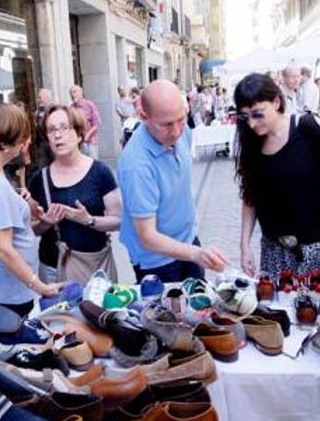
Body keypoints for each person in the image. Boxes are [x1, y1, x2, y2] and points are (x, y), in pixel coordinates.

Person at [234, 73, 320, 278]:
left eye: (257, 113)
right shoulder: (252, 142)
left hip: (318, 250)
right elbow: (250, 196)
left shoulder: (307, 126)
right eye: (245, 116)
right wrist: (244, 246)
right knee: (277, 309)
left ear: (276, 102)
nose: (251, 123)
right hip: (274, 252)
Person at [117, 79, 229, 283]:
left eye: (181, 119)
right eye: (167, 124)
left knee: (199, 306)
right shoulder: (136, 164)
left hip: (188, 241)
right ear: (144, 116)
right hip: (156, 260)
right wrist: (195, 254)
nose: (177, 131)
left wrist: (194, 250)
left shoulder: (181, 132)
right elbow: (147, 236)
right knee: (168, 313)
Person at [0, 102, 61, 318]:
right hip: (9, 289)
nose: (26, 143)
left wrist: (18, 204)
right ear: (5, 145)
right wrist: (39, 286)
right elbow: (4, 249)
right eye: (22, 138)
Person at [27, 104, 122, 284]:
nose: (57, 135)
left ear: (79, 134)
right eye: (51, 129)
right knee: (59, 313)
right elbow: (32, 229)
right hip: (53, 269)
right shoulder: (39, 179)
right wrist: (45, 223)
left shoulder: (100, 172)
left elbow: (118, 221)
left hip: (95, 268)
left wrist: (88, 219)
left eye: (64, 127)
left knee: (97, 312)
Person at [69, 85, 101, 158]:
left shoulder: (89, 105)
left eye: (74, 92)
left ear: (81, 93)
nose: (72, 95)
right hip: (77, 142)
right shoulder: (71, 108)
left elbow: (96, 124)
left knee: (92, 164)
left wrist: (87, 135)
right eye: (70, 93)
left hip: (90, 142)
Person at [34, 88, 55, 167]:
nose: (38, 100)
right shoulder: (38, 112)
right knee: (43, 167)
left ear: (47, 97)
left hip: (52, 141)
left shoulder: (54, 109)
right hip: (42, 143)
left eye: (40, 97)